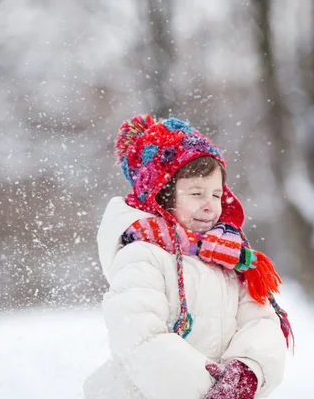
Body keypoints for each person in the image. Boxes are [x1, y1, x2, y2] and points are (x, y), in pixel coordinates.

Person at [83, 114, 293, 399]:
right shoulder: (142, 257)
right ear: (162, 195)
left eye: (217, 194)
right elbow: (141, 341)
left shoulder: (229, 258)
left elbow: (260, 322)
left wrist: (246, 374)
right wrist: (210, 391)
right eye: (196, 193)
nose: (209, 206)